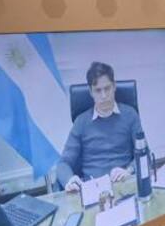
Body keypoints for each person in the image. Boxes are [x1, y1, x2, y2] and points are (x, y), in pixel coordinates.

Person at [57, 62, 145, 192]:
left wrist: (129, 170)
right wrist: (69, 180)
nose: (104, 96)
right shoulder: (81, 122)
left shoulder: (130, 115)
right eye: (98, 90)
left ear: (114, 86)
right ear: (90, 92)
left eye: (107, 88)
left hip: (124, 185)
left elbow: (144, 155)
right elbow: (63, 163)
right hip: (93, 191)